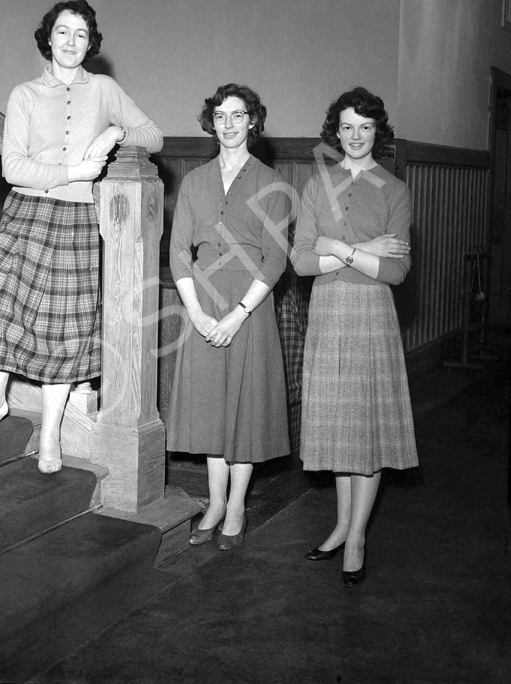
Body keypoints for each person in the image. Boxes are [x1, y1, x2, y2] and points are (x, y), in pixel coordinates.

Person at [0, 0, 163, 475]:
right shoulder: (24, 94)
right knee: (2, 301)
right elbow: (14, 167)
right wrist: (75, 168)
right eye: (63, 32)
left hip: (77, 220)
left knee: (64, 330)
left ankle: (50, 434)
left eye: (81, 35)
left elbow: (153, 135)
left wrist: (113, 136)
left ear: (91, 44)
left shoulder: (105, 88)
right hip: (27, 212)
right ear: (48, 38)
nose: (71, 42)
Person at [291, 87, 418, 586]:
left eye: (365, 127)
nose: (356, 136)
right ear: (335, 132)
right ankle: (341, 524)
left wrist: (337, 249)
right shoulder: (315, 185)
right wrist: (362, 249)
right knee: (336, 425)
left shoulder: (395, 190)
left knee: (363, 426)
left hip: (370, 314)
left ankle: (358, 534)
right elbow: (301, 261)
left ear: (377, 131)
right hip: (326, 311)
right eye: (347, 127)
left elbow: (396, 271)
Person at [167, 83, 290, 550]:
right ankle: (214, 503)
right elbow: (180, 251)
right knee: (211, 409)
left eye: (238, 115)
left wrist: (238, 314)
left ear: (253, 122)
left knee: (245, 408)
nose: (229, 124)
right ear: (211, 122)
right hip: (202, 301)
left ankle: (236, 505)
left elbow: (276, 259)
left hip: (249, 307)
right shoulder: (195, 181)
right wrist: (195, 312)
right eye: (220, 116)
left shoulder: (270, 183)